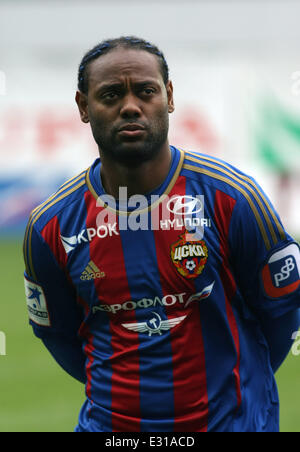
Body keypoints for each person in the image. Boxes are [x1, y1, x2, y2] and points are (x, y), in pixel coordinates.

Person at [23, 36, 300, 433]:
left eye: (146, 91)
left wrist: (242, 391)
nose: (131, 106)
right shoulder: (50, 226)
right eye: (112, 94)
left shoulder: (232, 198)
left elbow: (282, 315)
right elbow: (60, 338)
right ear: (84, 107)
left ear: (168, 97)